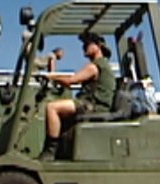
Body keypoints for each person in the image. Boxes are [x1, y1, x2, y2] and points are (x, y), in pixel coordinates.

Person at [39, 32, 116, 162]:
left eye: (87, 44)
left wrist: (50, 76)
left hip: (93, 106)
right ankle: (60, 150)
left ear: (98, 46)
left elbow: (71, 80)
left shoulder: (95, 66)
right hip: (92, 104)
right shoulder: (102, 65)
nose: (84, 47)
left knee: (52, 108)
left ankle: (50, 152)